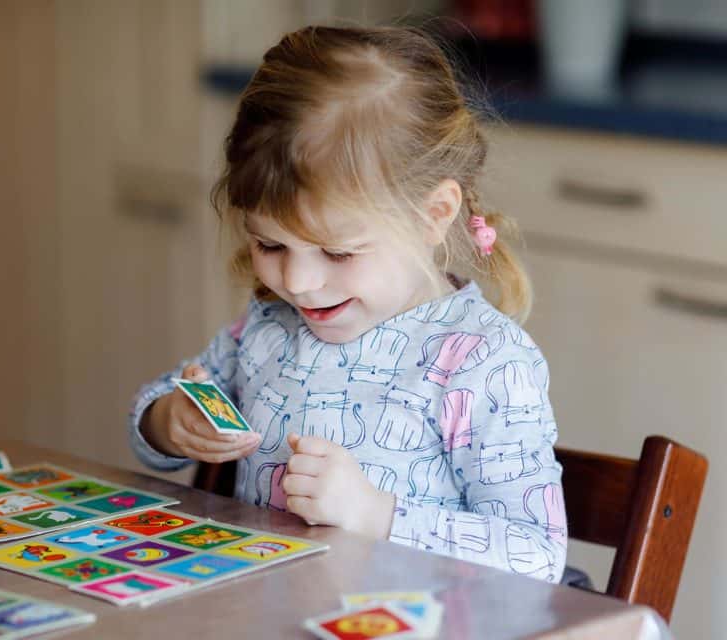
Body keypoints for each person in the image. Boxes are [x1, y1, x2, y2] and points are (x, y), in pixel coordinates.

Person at [128, 25, 566, 582]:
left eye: (337, 251)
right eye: (269, 244)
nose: (299, 281)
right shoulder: (270, 326)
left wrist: (377, 514)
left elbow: (537, 556)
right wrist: (169, 422)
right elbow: (160, 402)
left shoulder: (483, 363)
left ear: (433, 215)